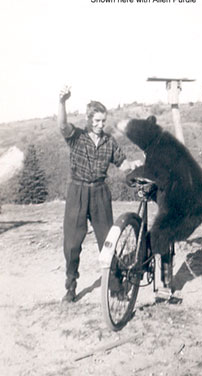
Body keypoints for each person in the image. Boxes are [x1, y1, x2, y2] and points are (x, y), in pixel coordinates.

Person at [58, 86, 140, 303]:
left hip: (100, 193)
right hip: (77, 192)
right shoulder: (76, 136)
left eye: (103, 121)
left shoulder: (109, 141)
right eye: (96, 121)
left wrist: (135, 164)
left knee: (108, 241)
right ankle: (71, 287)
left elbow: (123, 162)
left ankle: (115, 285)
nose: (100, 125)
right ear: (88, 119)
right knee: (72, 244)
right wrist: (62, 102)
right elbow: (62, 125)